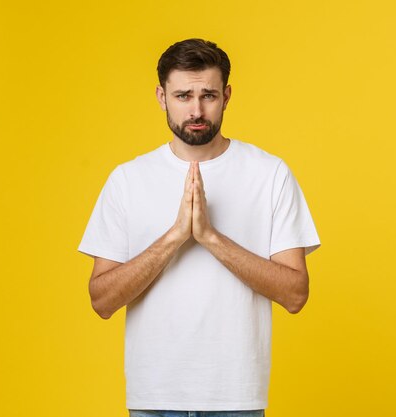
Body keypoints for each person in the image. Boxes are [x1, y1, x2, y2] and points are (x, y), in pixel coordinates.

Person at [78, 38, 321, 417]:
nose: (196, 109)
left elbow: (295, 294)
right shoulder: (128, 180)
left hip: (235, 399)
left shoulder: (270, 174)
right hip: (154, 398)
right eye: (182, 95)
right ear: (161, 97)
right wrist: (175, 236)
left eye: (208, 95)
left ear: (226, 95)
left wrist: (210, 237)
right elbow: (102, 301)